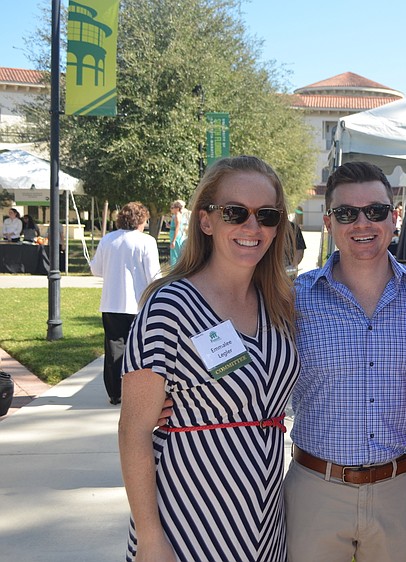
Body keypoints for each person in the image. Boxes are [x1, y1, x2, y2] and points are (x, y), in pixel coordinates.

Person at [118, 156, 299, 561]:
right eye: (235, 212)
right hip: (188, 519)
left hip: (264, 519)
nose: (252, 227)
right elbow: (133, 431)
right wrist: (149, 537)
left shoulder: (279, 304)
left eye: (267, 215)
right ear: (206, 221)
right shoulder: (171, 306)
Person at [284, 161, 406, 562]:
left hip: (398, 490)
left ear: (394, 217)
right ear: (329, 222)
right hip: (315, 490)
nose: (362, 223)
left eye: (375, 210)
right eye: (346, 213)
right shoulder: (293, 300)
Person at [90, 202, 161, 405]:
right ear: (140, 220)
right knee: (141, 349)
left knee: (114, 348)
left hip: (111, 303)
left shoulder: (107, 239)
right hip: (139, 304)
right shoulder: (146, 241)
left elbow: (96, 270)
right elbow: (154, 275)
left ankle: (115, 392)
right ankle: (139, 389)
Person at [168, 199, 189, 266]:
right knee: (174, 253)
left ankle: (175, 268)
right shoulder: (176, 215)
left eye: (172, 208)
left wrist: (174, 240)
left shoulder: (177, 216)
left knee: (175, 254)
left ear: (177, 208)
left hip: (176, 236)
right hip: (175, 235)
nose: (171, 209)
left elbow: (177, 228)